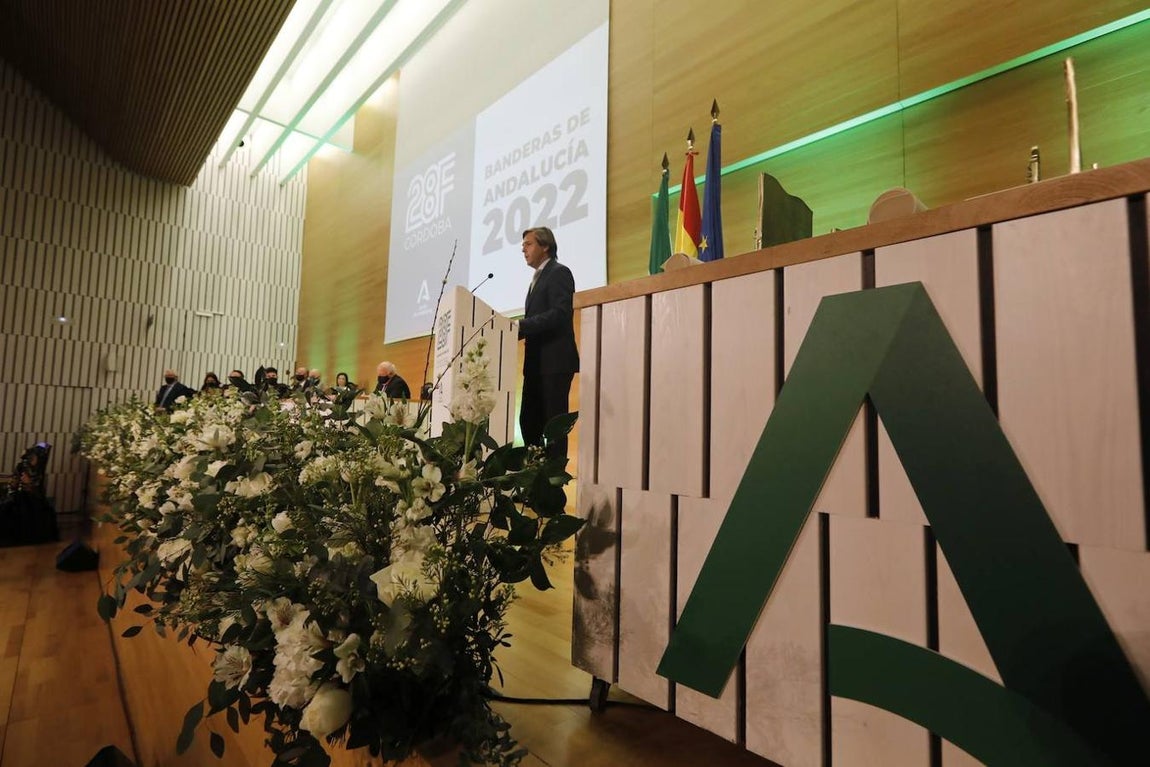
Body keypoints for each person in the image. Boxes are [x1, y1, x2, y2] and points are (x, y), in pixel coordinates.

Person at [517, 226, 578, 461]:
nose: (523, 249)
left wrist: (522, 326)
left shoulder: (559, 272)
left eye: (528, 244)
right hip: (535, 364)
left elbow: (561, 313)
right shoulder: (537, 278)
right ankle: (535, 478)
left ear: (545, 246)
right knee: (528, 421)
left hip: (554, 362)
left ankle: (551, 487)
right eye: (523, 245)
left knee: (553, 427)